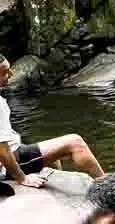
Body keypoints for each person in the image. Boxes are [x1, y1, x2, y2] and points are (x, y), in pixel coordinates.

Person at [0, 55, 104, 187]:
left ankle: (61, 184)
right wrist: (22, 178)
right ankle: (107, 187)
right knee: (75, 143)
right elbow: (2, 149)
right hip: (8, 163)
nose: (10, 75)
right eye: (4, 73)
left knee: (52, 157)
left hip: (14, 153)